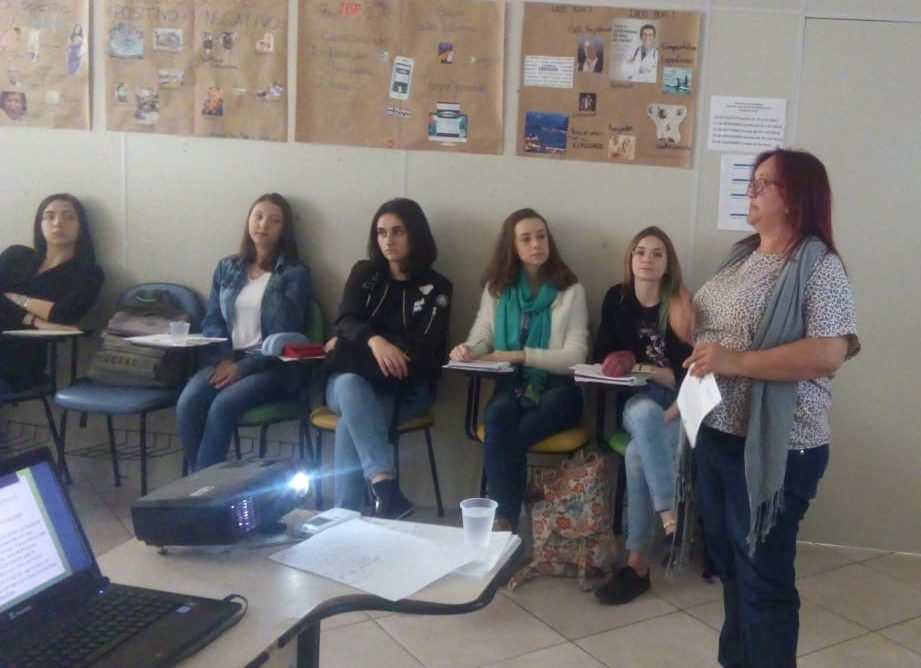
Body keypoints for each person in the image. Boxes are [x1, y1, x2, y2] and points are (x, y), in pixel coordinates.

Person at [684, 149, 860, 668]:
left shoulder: (819, 265)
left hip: (777, 448)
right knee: (733, 567)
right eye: (753, 181)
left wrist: (737, 361)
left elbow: (831, 350)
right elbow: (716, 332)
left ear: (796, 197)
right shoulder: (743, 255)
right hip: (717, 433)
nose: (751, 190)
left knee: (764, 578)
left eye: (765, 183)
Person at [450, 208, 588, 531]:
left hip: (559, 389)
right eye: (526, 238)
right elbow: (483, 337)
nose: (536, 244)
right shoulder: (497, 290)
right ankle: (508, 517)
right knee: (497, 415)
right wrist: (468, 350)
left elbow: (575, 356)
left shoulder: (570, 291)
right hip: (511, 385)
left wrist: (521, 355)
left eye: (541, 236)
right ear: (512, 246)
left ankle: (504, 515)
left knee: (506, 435)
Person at [324, 198, 451, 519]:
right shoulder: (365, 273)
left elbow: (427, 351)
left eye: (397, 232)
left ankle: (346, 513)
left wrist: (354, 344)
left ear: (415, 235)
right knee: (352, 387)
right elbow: (346, 320)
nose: (388, 241)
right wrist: (377, 343)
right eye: (381, 233)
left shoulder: (437, 286)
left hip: (405, 390)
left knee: (350, 423)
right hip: (346, 383)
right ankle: (385, 488)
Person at [593, 226, 693, 605]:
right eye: (640, 252)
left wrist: (656, 376)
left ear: (668, 264)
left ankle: (637, 565)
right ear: (630, 260)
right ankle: (670, 518)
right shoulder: (616, 299)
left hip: (681, 402)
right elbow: (603, 357)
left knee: (636, 453)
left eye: (657, 254)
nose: (647, 260)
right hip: (637, 399)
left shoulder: (681, 303)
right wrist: (645, 370)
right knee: (647, 414)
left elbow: (691, 374)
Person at [177, 193, 311, 471]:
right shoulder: (227, 267)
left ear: (283, 229)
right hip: (227, 359)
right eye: (258, 216)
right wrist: (225, 359)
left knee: (223, 406)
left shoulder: (294, 273)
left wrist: (244, 367)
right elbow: (212, 319)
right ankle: (197, 486)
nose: (263, 225)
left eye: (274, 221)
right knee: (188, 401)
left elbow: (286, 334)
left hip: (272, 366)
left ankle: (206, 495)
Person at [0, 194, 104, 395]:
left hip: (19, 361)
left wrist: (16, 298)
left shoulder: (87, 274)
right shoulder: (16, 256)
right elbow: (49, 317)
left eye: (68, 217)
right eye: (49, 216)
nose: (58, 223)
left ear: (81, 226)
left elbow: (61, 315)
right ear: (39, 223)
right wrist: (36, 321)